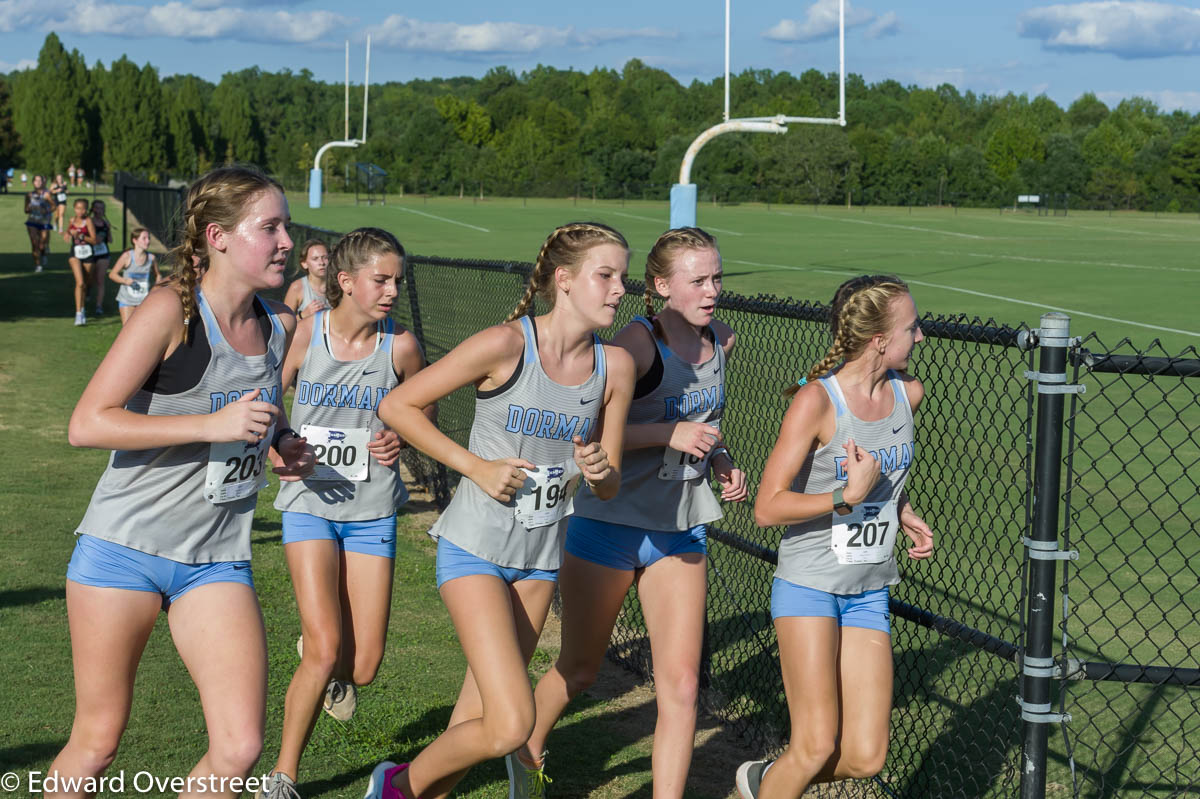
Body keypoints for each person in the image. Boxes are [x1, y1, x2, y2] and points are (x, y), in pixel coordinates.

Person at [44, 165, 314, 799]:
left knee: (241, 746)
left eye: (287, 227)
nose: (286, 242)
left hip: (215, 558)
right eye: (269, 227)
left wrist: (282, 443)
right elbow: (86, 424)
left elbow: (259, 410)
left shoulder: (280, 326)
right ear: (218, 236)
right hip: (124, 551)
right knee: (98, 740)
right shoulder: (170, 310)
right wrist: (212, 422)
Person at [364, 222, 636, 799]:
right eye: (605, 275)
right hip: (475, 548)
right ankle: (395, 784)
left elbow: (609, 485)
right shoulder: (508, 344)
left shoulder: (616, 368)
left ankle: (412, 793)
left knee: (478, 720)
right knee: (512, 722)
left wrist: (599, 470)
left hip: (539, 563)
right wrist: (475, 467)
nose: (619, 290)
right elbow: (398, 405)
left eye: (623, 278)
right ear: (564, 280)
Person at [509, 226, 748, 798]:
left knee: (683, 685)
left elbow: (705, 426)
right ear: (663, 286)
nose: (712, 290)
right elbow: (590, 434)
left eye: (716, 277)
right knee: (580, 670)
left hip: (679, 529)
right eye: (698, 280)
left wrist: (720, 457)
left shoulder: (725, 340)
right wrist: (671, 433)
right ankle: (523, 752)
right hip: (607, 524)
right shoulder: (637, 347)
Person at [733, 275, 934, 799]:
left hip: (869, 590)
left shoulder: (907, 394)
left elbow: (883, 477)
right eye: (912, 328)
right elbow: (767, 506)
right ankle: (776, 780)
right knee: (816, 745)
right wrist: (844, 498)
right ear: (879, 340)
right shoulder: (816, 403)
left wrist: (903, 511)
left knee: (867, 756)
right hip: (810, 587)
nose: (921, 337)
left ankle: (767, 782)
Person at [260, 228, 431, 799]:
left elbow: (425, 400)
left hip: (372, 508)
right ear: (346, 281)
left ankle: (322, 662)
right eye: (381, 280)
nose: (390, 291)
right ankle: (283, 775)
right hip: (309, 503)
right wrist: (282, 439)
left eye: (396, 281)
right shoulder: (307, 333)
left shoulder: (400, 345)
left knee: (362, 667)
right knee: (328, 645)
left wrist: (399, 436)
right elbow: (268, 394)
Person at [108, 227, 160, 325]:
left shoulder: (151, 258)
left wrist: (156, 288)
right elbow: (112, 274)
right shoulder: (127, 256)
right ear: (135, 240)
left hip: (144, 300)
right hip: (127, 300)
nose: (148, 241)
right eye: (144, 238)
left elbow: (158, 275)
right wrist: (125, 281)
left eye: (148, 238)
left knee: (143, 329)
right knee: (127, 329)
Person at [63, 198, 98, 326]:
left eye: (83, 208)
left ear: (86, 209)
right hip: (75, 254)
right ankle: (79, 313)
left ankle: (83, 306)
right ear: (74, 208)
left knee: (87, 283)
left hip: (88, 253)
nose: (80, 211)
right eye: (77, 208)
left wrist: (81, 236)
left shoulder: (88, 221)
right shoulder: (72, 220)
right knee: (80, 282)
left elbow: (94, 240)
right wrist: (67, 234)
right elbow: (68, 231)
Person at [284, 239, 330, 321]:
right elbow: (284, 323)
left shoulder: (339, 285)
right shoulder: (297, 287)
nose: (321, 263)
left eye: (325, 257)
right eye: (315, 259)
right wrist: (303, 315)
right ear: (304, 264)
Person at [24, 174, 54, 273]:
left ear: (43, 182)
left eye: (40, 180)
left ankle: (43, 253)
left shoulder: (46, 195)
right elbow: (25, 210)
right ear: (33, 182)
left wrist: (46, 211)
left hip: (44, 222)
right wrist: (28, 208)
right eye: (36, 180)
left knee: (42, 244)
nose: (38, 182)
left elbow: (54, 206)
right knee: (34, 243)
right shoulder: (29, 195)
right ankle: (38, 265)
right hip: (32, 221)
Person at [90, 200, 114, 316]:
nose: (99, 210)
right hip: (89, 254)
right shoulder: (89, 222)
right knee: (90, 279)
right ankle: (88, 290)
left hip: (103, 254)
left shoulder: (105, 223)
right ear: (92, 209)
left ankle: (98, 306)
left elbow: (110, 240)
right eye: (96, 208)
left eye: (101, 208)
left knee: (100, 280)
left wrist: (108, 229)